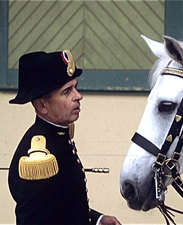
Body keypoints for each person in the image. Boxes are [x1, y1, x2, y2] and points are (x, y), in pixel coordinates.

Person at [8, 50, 121, 225]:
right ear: (42, 105)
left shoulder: (58, 136)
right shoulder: (39, 157)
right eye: (67, 91)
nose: (78, 96)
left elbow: (61, 207)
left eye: (75, 87)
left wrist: (97, 220)